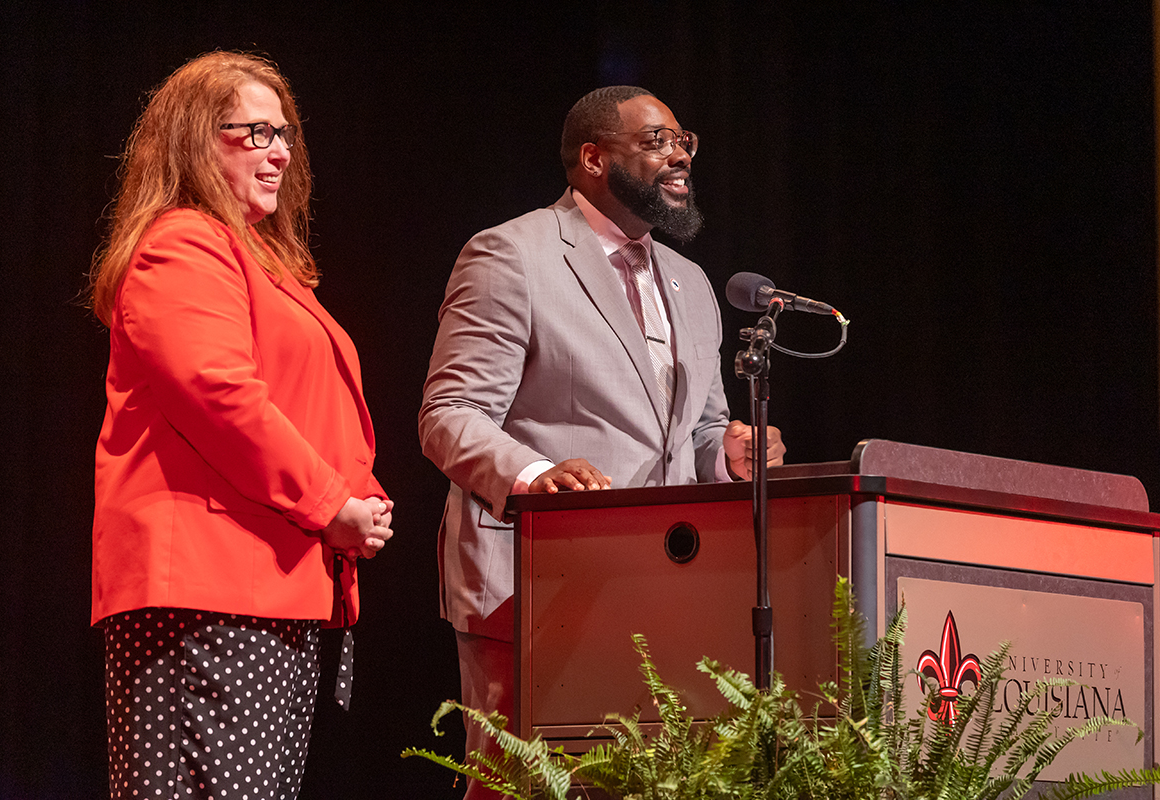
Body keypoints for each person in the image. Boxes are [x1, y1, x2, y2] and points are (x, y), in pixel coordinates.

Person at [419, 85, 784, 797]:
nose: (679, 154)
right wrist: (535, 476)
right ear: (593, 157)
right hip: (536, 584)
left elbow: (700, 428)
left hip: (667, 587)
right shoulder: (511, 255)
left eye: (685, 141)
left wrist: (730, 453)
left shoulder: (691, 282)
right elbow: (450, 414)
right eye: (656, 141)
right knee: (524, 786)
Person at [87, 51, 393, 799]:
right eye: (253, 132)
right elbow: (219, 396)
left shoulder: (261, 260)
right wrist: (333, 504)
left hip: (270, 589)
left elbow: (302, 401)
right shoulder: (183, 243)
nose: (280, 151)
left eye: (283, 133)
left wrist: (358, 499)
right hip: (206, 591)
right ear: (195, 140)